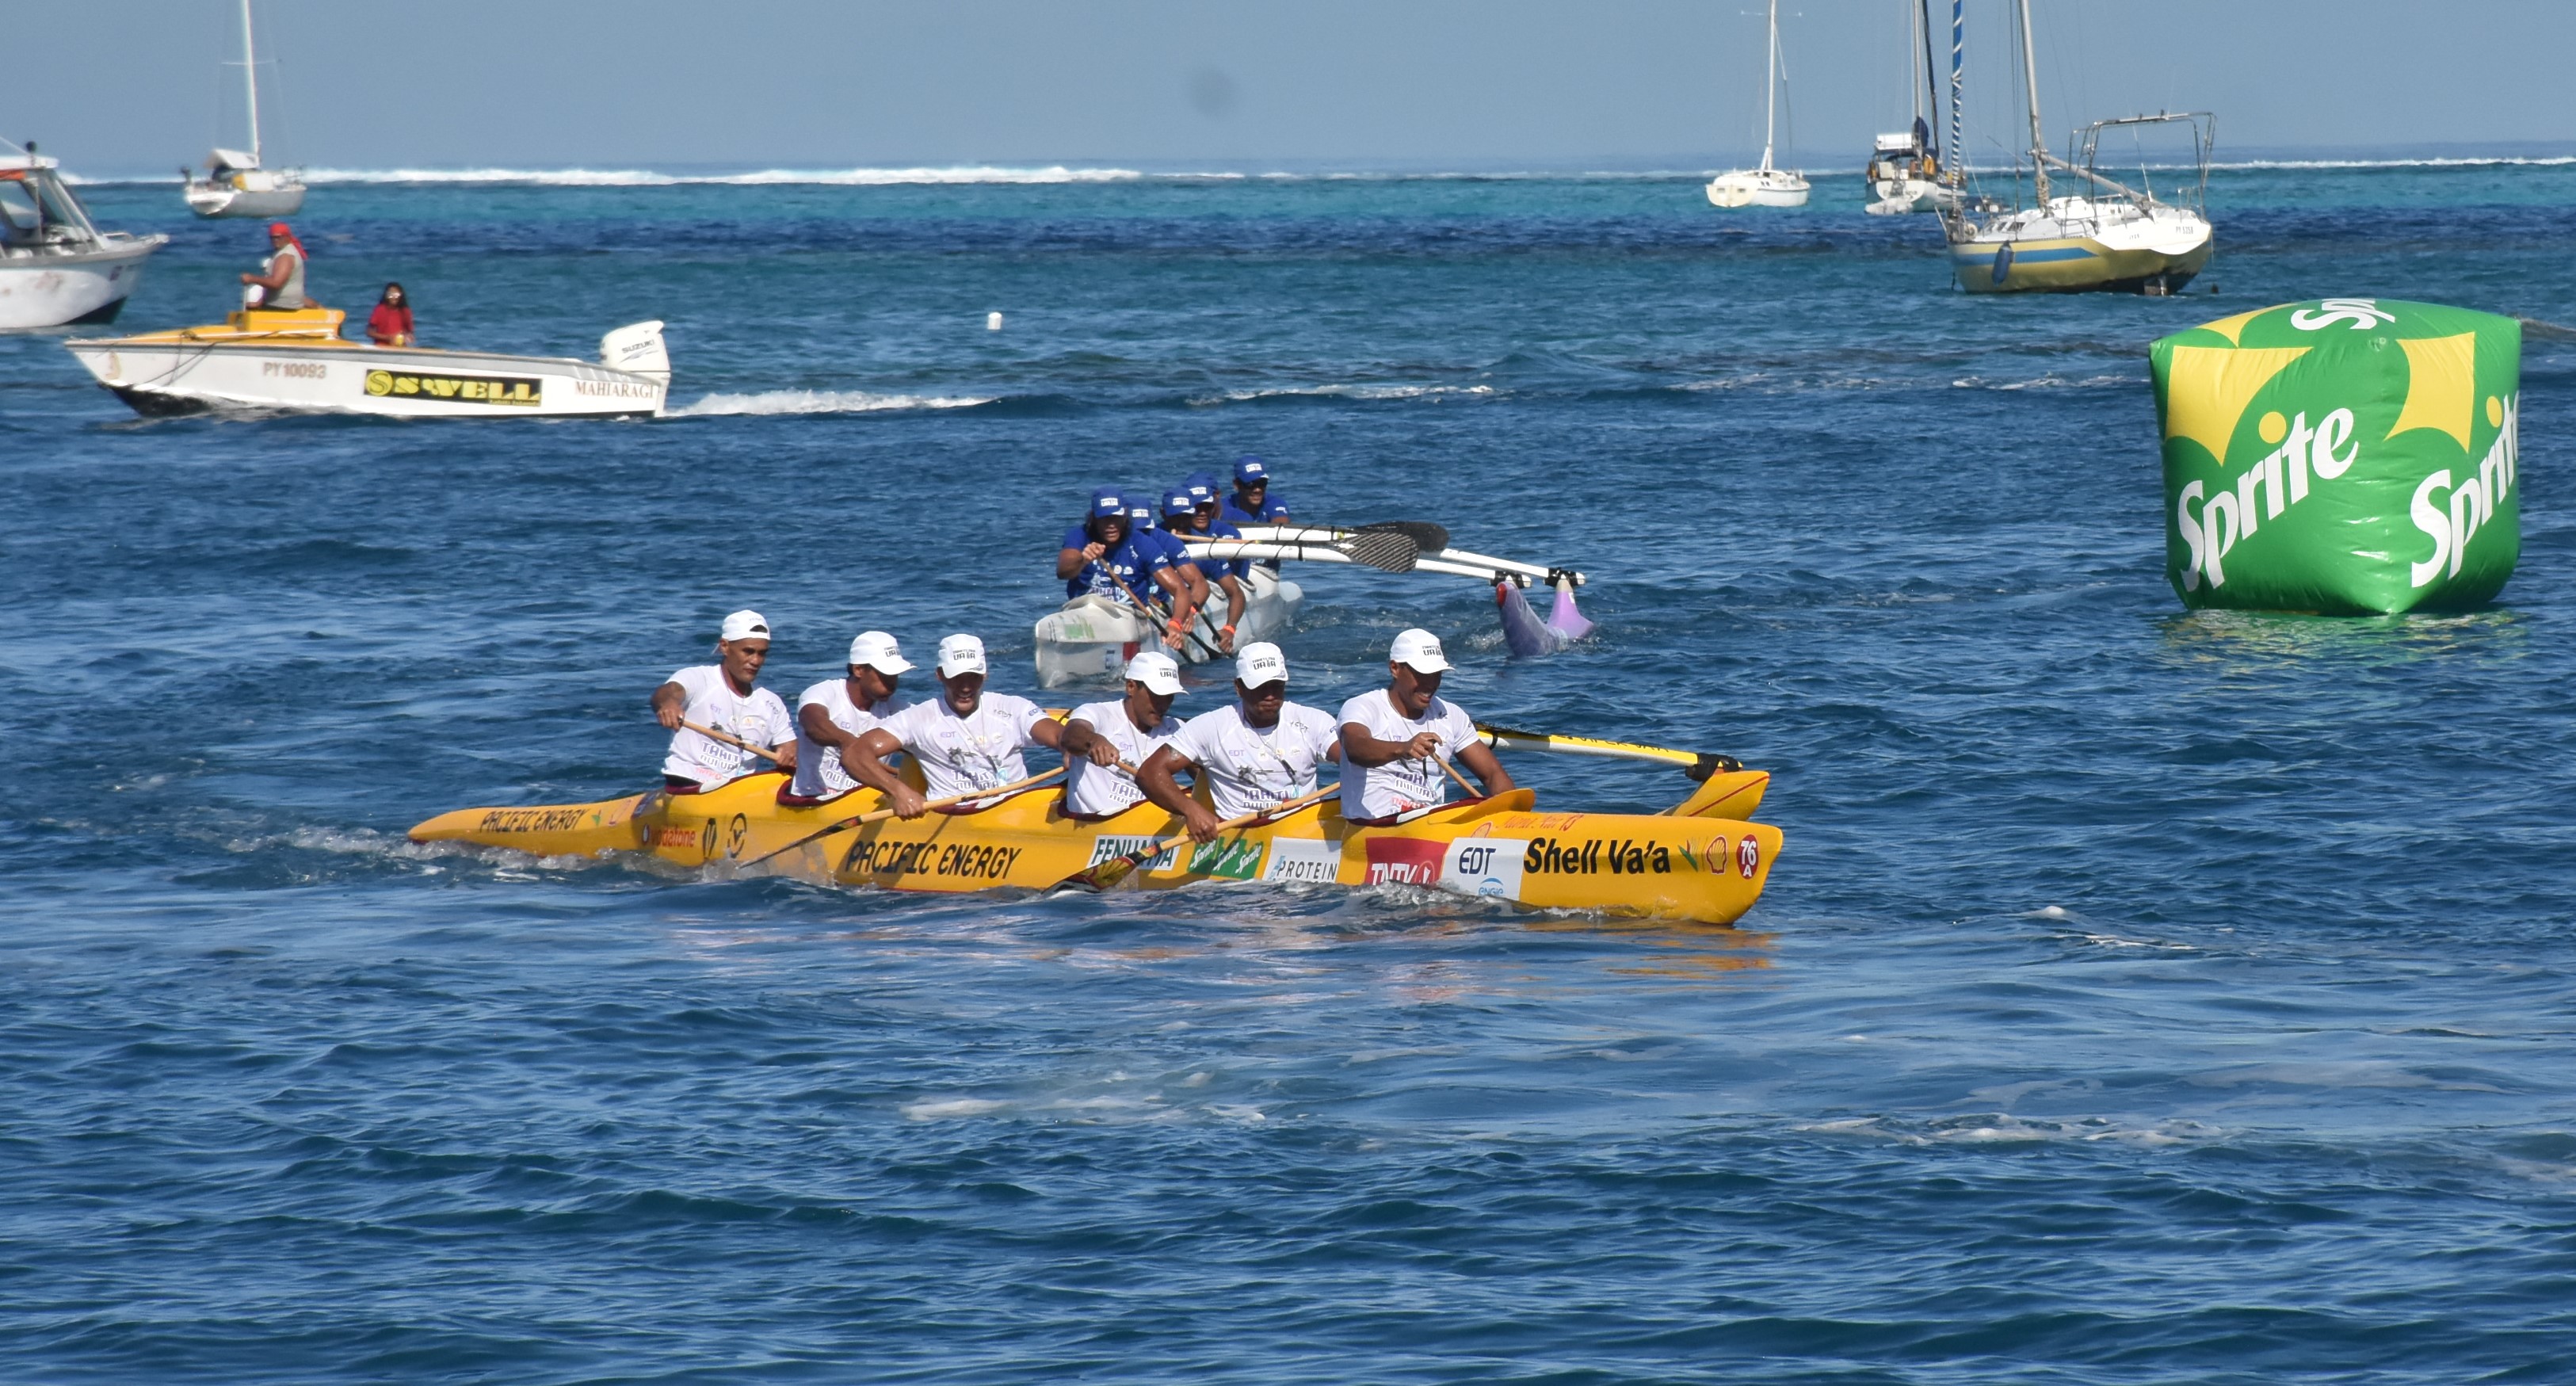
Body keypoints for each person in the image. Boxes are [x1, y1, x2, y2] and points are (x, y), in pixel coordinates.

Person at [846, 633, 1069, 819]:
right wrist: (899, 791)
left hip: (1015, 815)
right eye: (956, 678)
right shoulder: (917, 718)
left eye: (972, 677)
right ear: (940, 676)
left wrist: (1070, 746)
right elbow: (854, 755)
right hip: (956, 820)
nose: (965, 687)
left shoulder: (1014, 709)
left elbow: (1059, 736)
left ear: (984, 675)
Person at [1139, 642, 1341, 842]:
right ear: (1239, 688)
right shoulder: (1210, 727)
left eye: (1277, 686)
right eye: (1261, 687)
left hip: (1303, 829)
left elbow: (1348, 758)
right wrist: (1191, 810)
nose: (1270, 695)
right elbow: (1149, 773)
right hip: (1238, 836)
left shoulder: (1314, 721)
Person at [1336, 628, 1513, 823]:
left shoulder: (1451, 715)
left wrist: (1512, 820)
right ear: (1395, 669)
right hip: (1372, 828)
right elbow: (1355, 748)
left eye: (1436, 674)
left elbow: (1493, 774)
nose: (1431, 684)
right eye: (1422, 674)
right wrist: (1402, 748)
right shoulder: (1363, 707)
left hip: (1428, 827)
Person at [651, 609, 799, 792]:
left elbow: (790, 748)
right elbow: (668, 692)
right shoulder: (698, 679)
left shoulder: (772, 704)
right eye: (749, 652)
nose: (756, 661)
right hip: (687, 785)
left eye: (762, 654)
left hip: (738, 792)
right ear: (725, 647)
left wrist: (791, 757)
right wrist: (668, 705)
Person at [784, 630, 914, 804]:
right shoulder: (824, 693)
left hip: (866, 802)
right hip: (814, 799)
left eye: (895, 674)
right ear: (858, 669)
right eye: (885, 674)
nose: (892, 680)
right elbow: (813, 723)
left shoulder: (898, 709)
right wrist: (847, 741)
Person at [1059, 651, 1189, 819]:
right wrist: (1093, 741)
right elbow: (1070, 736)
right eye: (1157, 696)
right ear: (1131, 687)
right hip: (1094, 828)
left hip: (1146, 824)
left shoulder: (1177, 729)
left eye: (1169, 696)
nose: (1163, 705)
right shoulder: (1098, 714)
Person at [1166, 485, 1247, 651]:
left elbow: (1236, 593)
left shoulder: (1205, 547)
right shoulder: (1151, 540)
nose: (1181, 523)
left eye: (1186, 517)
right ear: (1163, 514)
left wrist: (1229, 629)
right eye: (1176, 518)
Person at [239, 221, 318, 311]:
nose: (275, 240)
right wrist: (260, 302)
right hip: (280, 304)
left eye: (279, 237)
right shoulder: (281, 252)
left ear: (287, 237)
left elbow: (276, 283)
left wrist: (252, 279)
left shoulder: (286, 256)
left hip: (283, 307)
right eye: (272, 238)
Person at [1218, 455, 1292, 527]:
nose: (1257, 490)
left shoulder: (1275, 503)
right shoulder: (1223, 506)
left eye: (1262, 483)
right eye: (1251, 484)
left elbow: (1281, 524)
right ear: (1237, 485)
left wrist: (1280, 527)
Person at [366, 282, 414, 347]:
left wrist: (407, 337)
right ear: (386, 296)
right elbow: (369, 332)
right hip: (381, 347)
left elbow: (410, 334)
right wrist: (388, 338)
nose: (393, 297)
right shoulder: (380, 310)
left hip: (400, 348)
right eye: (391, 294)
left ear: (400, 295)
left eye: (396, 295)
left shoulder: (405, 311)